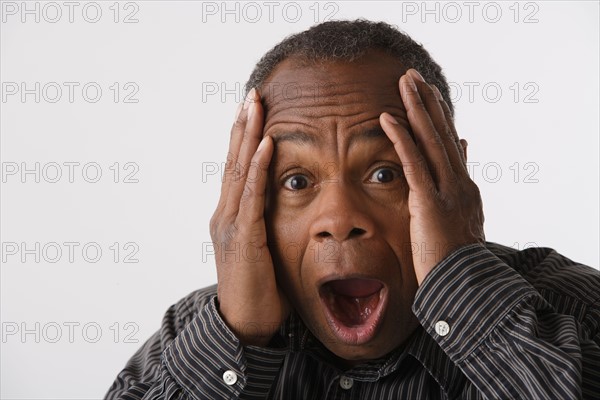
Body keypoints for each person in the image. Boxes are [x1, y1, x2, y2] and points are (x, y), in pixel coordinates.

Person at [105, 20, 600, 399]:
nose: (339, 219)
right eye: (296, 181)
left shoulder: (575, 310)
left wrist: (464, 292)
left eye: (384, 174)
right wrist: (239, 334)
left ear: (453, 181)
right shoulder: (188, 337)